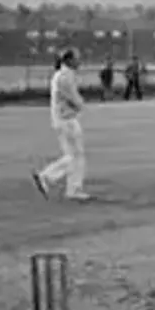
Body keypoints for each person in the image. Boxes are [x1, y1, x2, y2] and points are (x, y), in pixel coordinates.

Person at [31, 48, 90, 201]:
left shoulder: (61, 75)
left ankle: (72, 188)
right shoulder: (65, 77)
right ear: (69, 60)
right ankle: (48, 176)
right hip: (67, 119)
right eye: (77, 59)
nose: (79, 61)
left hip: (61, 119)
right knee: (75, 156)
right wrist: (81, 105)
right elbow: (74, 99)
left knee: (73, 156)